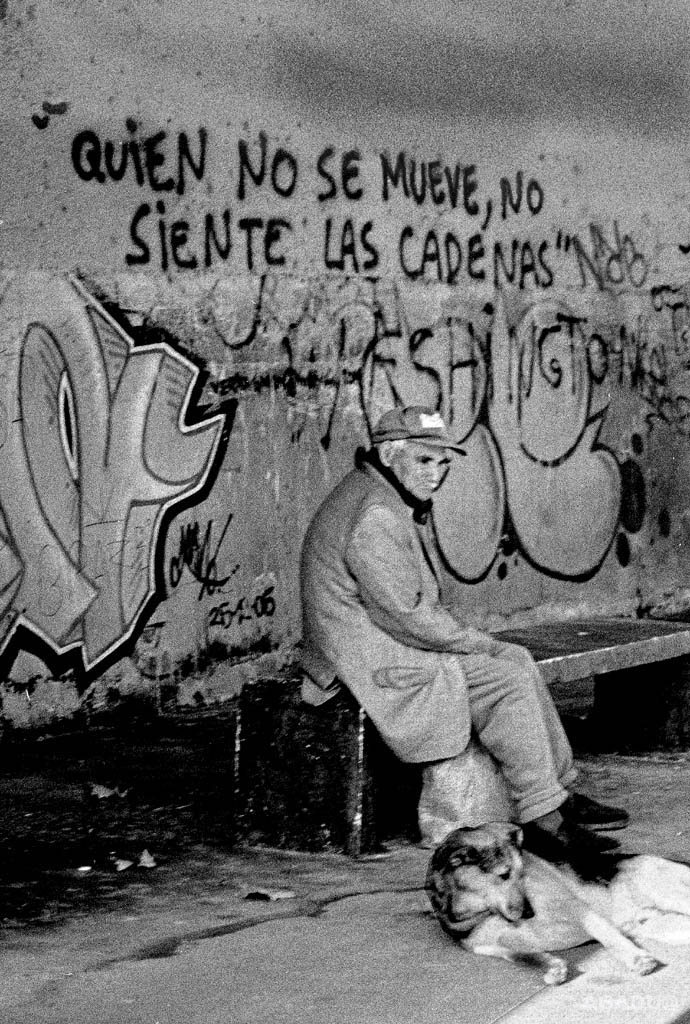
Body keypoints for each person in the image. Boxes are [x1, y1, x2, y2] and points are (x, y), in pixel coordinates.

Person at [299, 404, 628, 865]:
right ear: (389, 454)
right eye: (424, 460)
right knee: (504, 678)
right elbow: (408, 618)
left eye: (442, 462)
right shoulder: (375, 514)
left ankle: (558, 792)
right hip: (366, 662)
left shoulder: (378, 494)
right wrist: (477, 643)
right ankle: (542, 818)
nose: (435, 474)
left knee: (516, 659)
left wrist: (484, 645)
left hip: (376, 643)